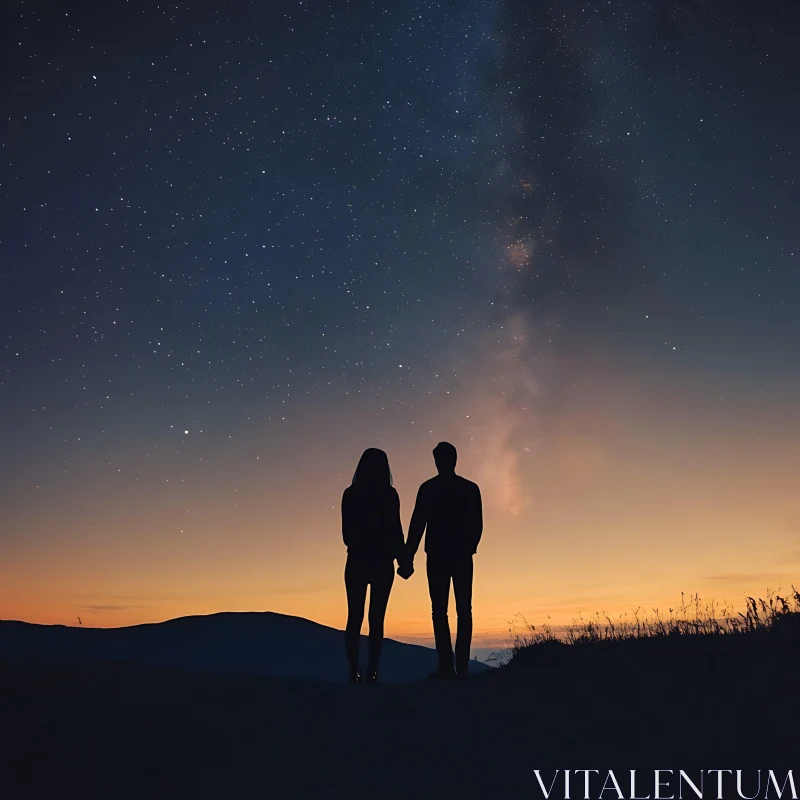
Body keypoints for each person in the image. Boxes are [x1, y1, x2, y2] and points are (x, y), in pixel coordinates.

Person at [402, 442, 482, 680]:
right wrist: (468, 548)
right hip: (456, 556)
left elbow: (417, 525)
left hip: (440, 556)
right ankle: (459, 667)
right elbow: (476, 525)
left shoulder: (429, 489)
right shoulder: (469, 488)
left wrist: (408, 556)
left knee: (442, 611)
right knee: (461, 611)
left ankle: (449, 666)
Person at [341, 448, 407, 684]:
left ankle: (354, 671)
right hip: (381, 563)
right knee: (376, 618)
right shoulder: (389, 495)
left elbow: (346, 536)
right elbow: (396, 531)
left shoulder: (351, 494)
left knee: (355, 617)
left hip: (357, 561)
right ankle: (372, 671)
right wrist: (403, 559)